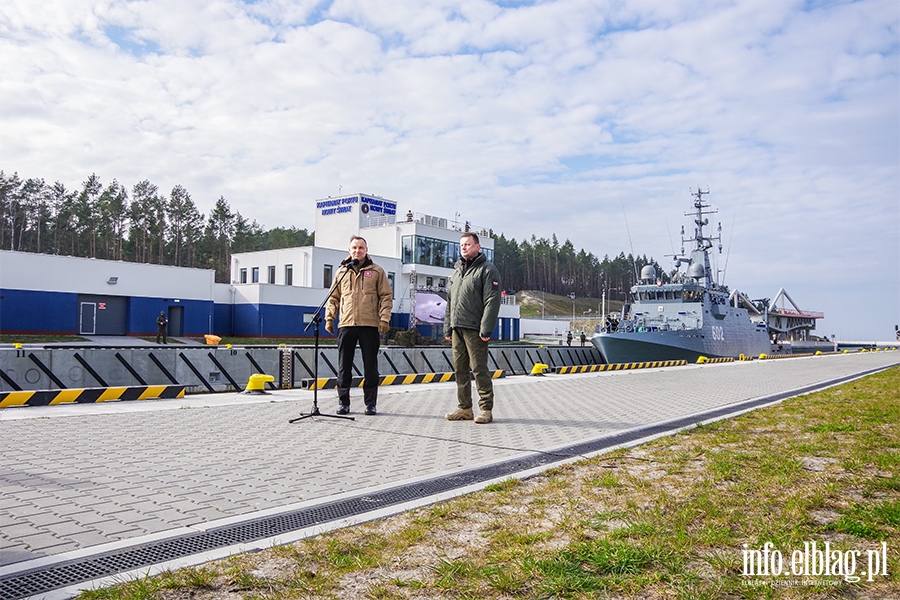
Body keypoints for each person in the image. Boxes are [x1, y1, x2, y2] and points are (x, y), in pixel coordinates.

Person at [325, 236, 393, 416]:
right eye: (354, 248)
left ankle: (370, 404)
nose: (357, 251)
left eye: (361, 248)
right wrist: (329, 318)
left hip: (370, 325)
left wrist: (384, 319)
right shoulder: (341, 272)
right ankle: (343, 403)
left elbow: (386, 296)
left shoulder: (377, 271)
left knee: (370, 367)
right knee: (343, 366)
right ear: (349, 250)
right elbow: (333, 298)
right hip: (346, 324)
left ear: (366, 250)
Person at [443, 232, 502, 424]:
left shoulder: (487, 270)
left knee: (479, 369)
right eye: (461, 245)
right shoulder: (457, 272)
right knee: (460, 369)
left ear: (478, 247)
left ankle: (486, 408)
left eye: (468, 244)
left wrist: (486, 329)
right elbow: (450, 302)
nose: (464, 247)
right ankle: (465, 408)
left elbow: (492, 301)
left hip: (475, 328)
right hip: (457, 327)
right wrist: (447, 327)